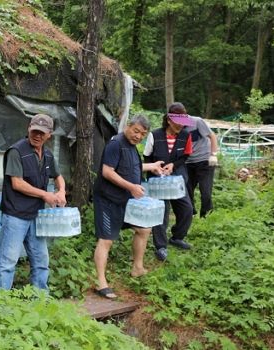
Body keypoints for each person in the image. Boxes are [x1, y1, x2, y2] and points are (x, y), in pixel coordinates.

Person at [0, 114, 66, 291]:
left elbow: (58, 176)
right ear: (29, 129)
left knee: (41, 260)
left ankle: (40, 299)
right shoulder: (16, 151)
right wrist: (45, 195)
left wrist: (61, 190)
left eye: (42, 133)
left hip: (36, 215)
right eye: (34, 131)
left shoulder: (47, 155)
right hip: (15, 215)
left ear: (49, 135)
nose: (37, 135)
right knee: (7, 262)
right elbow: (17, 183)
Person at [93, 115, 164, 299]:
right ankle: (101, 282)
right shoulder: (116, 144)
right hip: (108, 200)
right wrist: (132, 187)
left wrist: (152, 166)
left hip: (126, 201)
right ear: (128, 126)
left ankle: (137, 268)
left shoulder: (132, 147)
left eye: (143, 134)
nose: (138, 136)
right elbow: (107, 172)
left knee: (144, 228)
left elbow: (133, 167)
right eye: (136, 131)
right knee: (106, 239)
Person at [143, 105, 195, 261]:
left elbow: (185, 156)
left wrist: (173, 165)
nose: (181, 125)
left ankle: (177, 236)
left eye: (183, 121)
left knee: (186, 208)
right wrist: (154, 169)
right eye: (178, 121)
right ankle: (161, 246)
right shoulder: (155, 135)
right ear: (169, 120)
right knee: (161, 211)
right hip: (158, 177)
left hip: (176, 176)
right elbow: (147, 157)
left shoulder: (186, 135)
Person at [181, 103, 219, 217]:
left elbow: (212, 136)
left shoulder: (196, 121)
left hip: (204, 161)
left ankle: (206, 215)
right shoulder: (175, 127)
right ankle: (190, 214)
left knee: (205, 191)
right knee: (187, 190)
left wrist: (213, 154)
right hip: (187, 162)